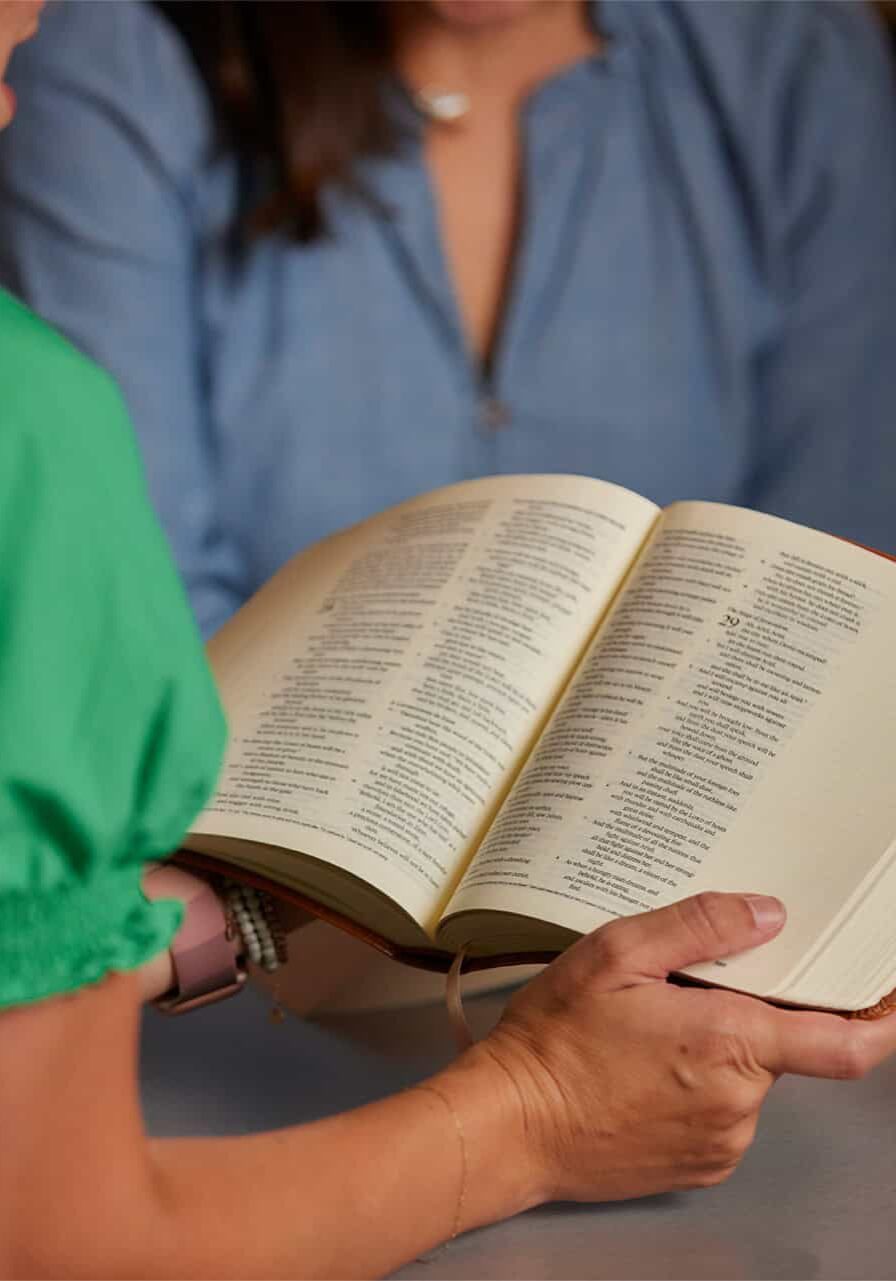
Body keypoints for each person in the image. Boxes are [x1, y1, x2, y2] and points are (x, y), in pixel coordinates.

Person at [5, 5, 896, 1277]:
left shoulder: (784, 58)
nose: (29, 11)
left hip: (669, 1006)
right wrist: (528, 1114)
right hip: (241, 1032)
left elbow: (837, 587)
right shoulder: (104, 103)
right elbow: (67, 1240)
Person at [0, 0, 894, 647]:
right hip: (244, 851)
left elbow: (824, 591)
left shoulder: (801, 65)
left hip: (677, 848)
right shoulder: (110, 55)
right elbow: (124, 602)